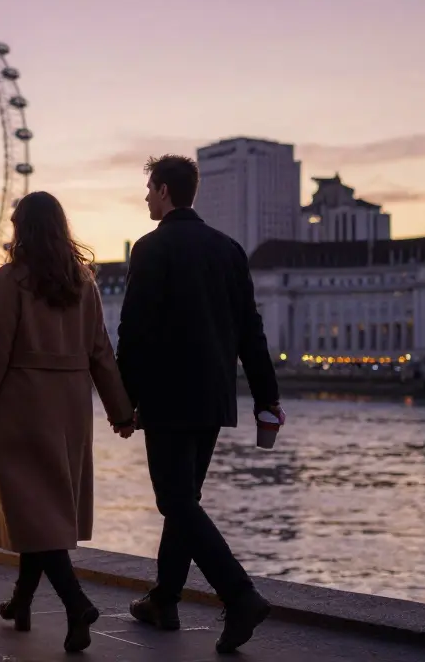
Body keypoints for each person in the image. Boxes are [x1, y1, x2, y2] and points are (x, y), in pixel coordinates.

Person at [114, 155, 284, 654]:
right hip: (213, 397)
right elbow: (251, 331)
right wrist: (266, 399)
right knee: (184, 500)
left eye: (149, 189)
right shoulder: (228, 250)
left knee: (176, 501)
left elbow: (134, 333)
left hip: (167, 396)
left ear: (165, 191)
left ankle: (240, 595)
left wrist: (124, 402)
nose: (146, 197)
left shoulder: (150, 248)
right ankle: (164, 600)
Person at [0, 191, 134, 653]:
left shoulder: (10, 280)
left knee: (33, 512)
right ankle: (21, 602)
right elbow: (101, 351)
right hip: (70, 408)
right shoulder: (85, 283)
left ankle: (76, 604)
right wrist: (120, 410)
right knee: (41, 513)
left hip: (21, 405)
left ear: (25, 228)